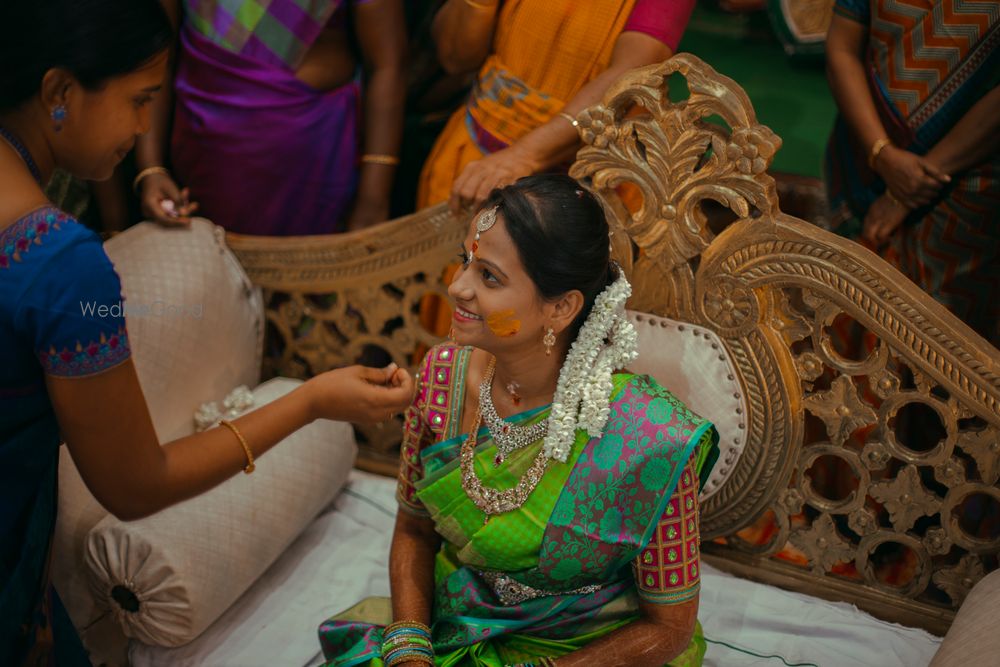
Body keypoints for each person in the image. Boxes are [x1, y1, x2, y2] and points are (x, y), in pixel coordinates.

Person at [0, 2, 414, 663]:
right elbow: (138, 485)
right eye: (139, 100)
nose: (142, 128)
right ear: (58, 92)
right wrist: (311, 401)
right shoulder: (61, 266)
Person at [318, 175, 720, 666]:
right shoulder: (443, 376)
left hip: (586, 649)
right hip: (456, 624)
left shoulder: (649, 437)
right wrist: (410, 650)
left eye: (489, 277)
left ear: (560, 307)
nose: (456, 287)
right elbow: (414, 531)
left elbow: (669, 628)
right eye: (465, 261)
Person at [134, 0, 406, 235]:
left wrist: (373, 197)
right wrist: (151, 168)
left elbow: (387, 65)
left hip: (312, 177)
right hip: (202, 171)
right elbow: (156, 57)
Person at [824, 0, 999, 346]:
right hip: (866, 156)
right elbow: (842, 47)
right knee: (843, 317)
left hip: (969, 190)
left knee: (944, 349)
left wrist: (916, 182)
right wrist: (881, 154)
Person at [418, 0, 697, 214]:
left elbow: (634, 70)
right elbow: (455, 58)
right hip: (472, 158)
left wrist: (523, 156)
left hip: (580, 193)